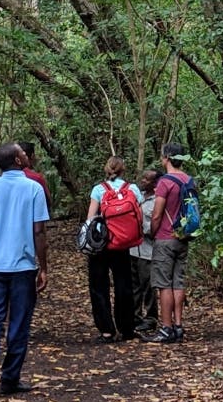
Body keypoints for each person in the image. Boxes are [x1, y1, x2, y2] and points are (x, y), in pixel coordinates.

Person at [0, 142, 51, 400]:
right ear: (16, 160)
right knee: (19, 322)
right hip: (22, 267)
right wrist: (43, 266)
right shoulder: (33, 188)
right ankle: (10, 379)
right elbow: (39, 231)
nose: (27, 155)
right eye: (23, 152)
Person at [82, 156, 143, 341]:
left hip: (101, 244)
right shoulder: (132, 189)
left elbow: (91, 218)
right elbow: (138, 214)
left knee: (98, 286)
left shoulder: (99, 189)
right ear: (123, 170)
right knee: (124, 286)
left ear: (106, 170)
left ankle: (107, 330)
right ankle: (127, 329)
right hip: (122, 244)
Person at [149, 143, 195, 344]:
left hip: (165, 237)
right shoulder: (189, 180)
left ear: (167, 157)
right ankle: (178, 325)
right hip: (183, 238)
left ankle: (166, 328)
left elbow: (157, 213)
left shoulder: (164, 182)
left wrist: (152, 231)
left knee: (164, 284)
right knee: (178, 282)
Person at [130, 166, 161, 338]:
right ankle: (135, 316)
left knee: (148, 286)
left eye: (147, 179)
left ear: (155, 183)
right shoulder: (138, 197)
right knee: (134, 285)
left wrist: (141, 227)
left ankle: (150, 318)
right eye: (143, 178)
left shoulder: (158, 201)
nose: (143, 181)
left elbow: (156, 226)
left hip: (148, 249)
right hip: (133, 249)